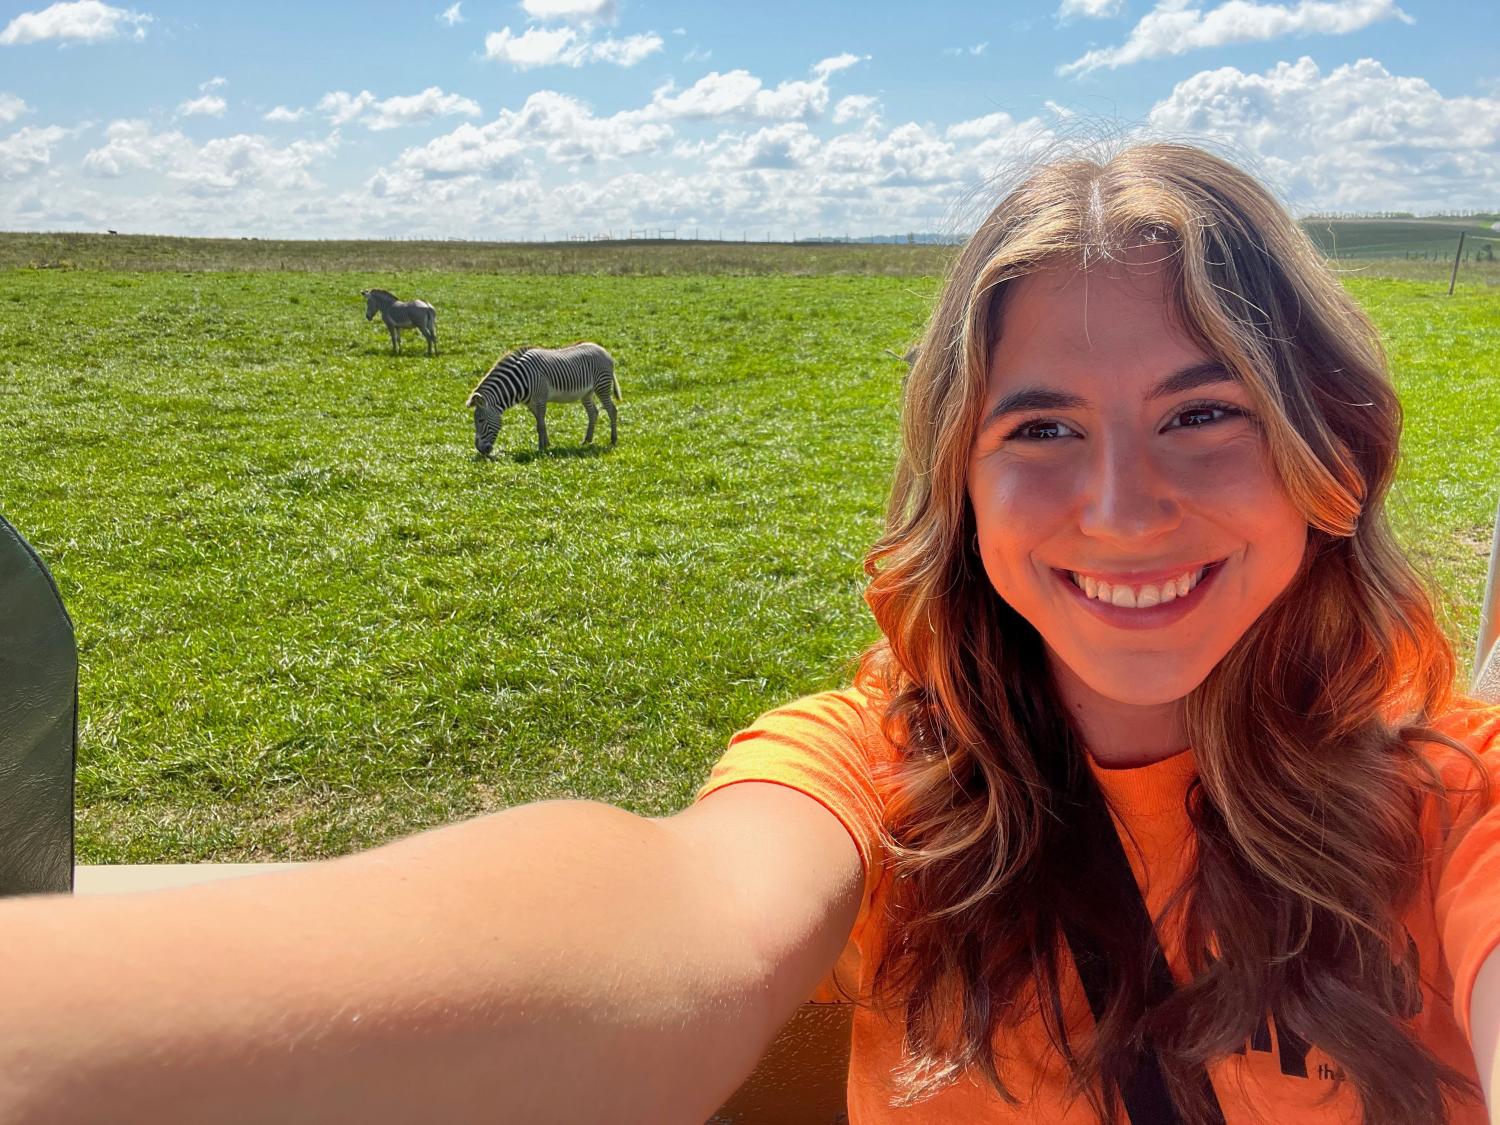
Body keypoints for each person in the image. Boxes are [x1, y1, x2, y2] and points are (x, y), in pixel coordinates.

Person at [1, 141, 1498, 1125]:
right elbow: (667, 927)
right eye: (1041, 425)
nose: (1120, 507)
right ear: (962, 483)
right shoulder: (882, 772)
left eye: (1204, 411)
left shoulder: (1455, 795)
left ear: (1337, 452)